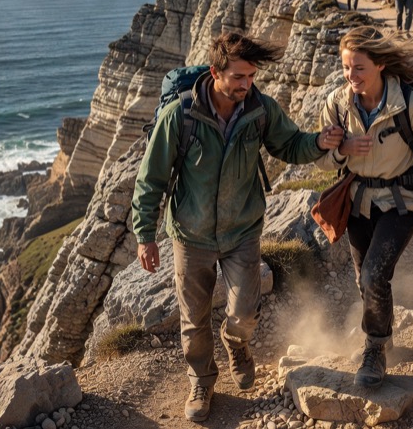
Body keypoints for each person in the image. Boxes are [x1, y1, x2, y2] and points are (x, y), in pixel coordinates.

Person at [132, 32, 343, 422]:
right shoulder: (180, 115)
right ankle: (201, 381)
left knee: (243, 313)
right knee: (194, 321)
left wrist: (320, 142)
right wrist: (145, 235)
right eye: (239, 77)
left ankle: (236, 344)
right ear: (216, 73)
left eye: (251, 77)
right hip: (190, 236)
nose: (247, 85)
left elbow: (290, 145)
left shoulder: (259, 109)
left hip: (243, 230)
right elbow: (151, 179)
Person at [317, 25, 413, 388]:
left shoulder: (411, 105)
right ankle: (383, 333)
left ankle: (375, 350)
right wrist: (340, 150)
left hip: (403, 201)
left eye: (359, 67)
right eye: (347, 67)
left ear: (379, 65)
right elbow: (321, 161)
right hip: (358, 201)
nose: (351, 76)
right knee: (366, 279)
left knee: (373, 275)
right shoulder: (337, 104)